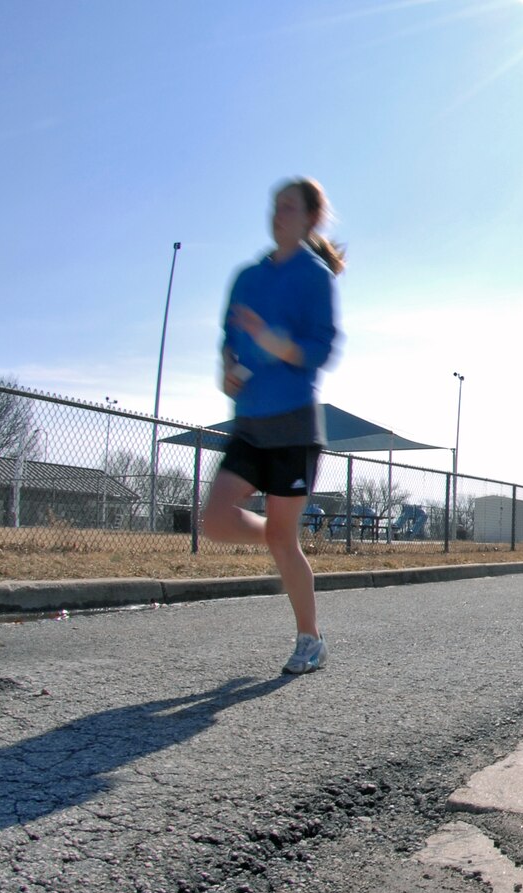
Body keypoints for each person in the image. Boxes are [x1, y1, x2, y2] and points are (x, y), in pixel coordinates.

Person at [200, 178, 344, 675]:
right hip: (249, 422)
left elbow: (322, 350)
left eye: (288, 207)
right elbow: (228, 337)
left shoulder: (315, 276)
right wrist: (226, 366)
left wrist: (278, 343)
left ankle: (311, 639)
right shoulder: (247, 277)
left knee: (285, 539)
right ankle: (279, 538)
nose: (277, 214)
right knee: (215, 520)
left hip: (294, 425)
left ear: (309, 219)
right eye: (274, 206)